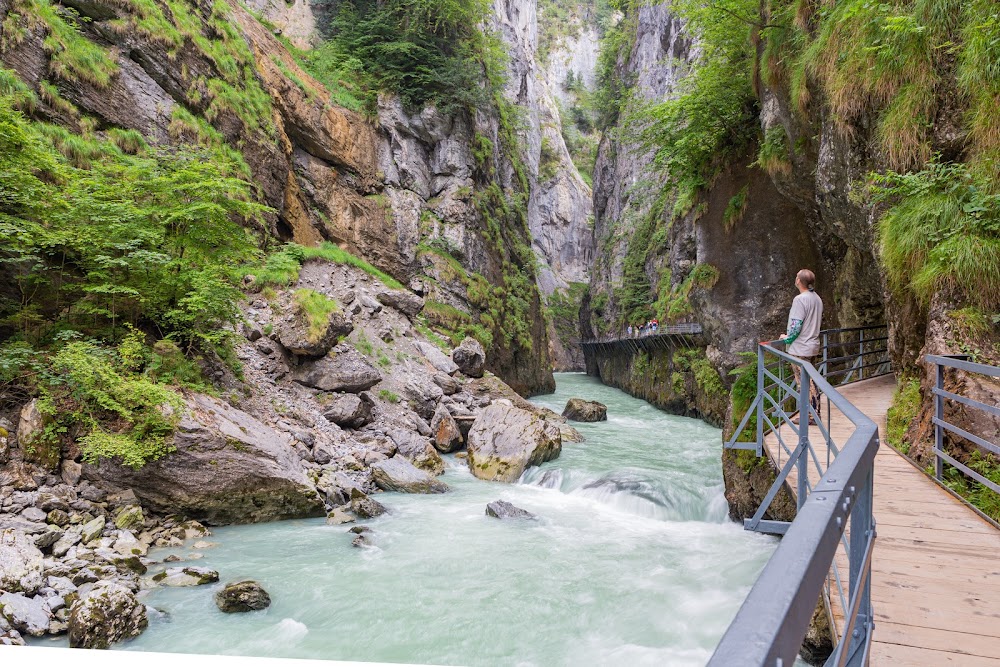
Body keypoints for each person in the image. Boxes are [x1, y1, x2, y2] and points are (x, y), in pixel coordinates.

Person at [780, 269, 823, 425]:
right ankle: (812, 413)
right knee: (811, 380)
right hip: (812, 345)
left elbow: (796, 325)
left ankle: (811, 415)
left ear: (799, 281)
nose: (795, 278)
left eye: (796, 276)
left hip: (800, 348)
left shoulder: (800, 299)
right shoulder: (817, 298)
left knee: (804, 382)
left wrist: (787, 338)